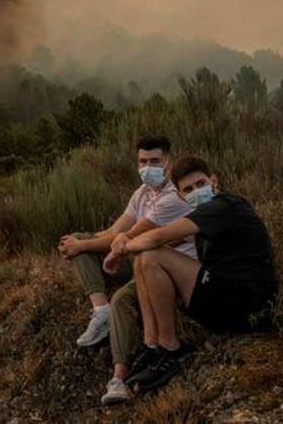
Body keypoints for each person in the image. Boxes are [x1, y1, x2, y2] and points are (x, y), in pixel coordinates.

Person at [103, 156, 278, 394]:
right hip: (227, 301)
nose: (196, 191)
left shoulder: (224, 206)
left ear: (214, 181)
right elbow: (168, 240)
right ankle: (152, 345)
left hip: (247, 303)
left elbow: (157, 237)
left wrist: (120, 249)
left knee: (151, 255)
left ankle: (171, 348)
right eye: (188, 189)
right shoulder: (205, 217)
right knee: (145, 258)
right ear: (180, 195)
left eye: (201, 184)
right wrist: (127, 242)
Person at [56, 135, 197, 405]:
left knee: (120, 296)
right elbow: (113, 232)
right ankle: (100, 310)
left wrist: (84, 245)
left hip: (163, 271)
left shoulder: (173, 197)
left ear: (168, 162)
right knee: (81, 239)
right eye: (143, 161)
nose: (148, 167)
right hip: (138, 261)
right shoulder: (141, 193)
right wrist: (77, 243)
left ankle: (118, 378)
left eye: (155, 161)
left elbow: (129, 238)